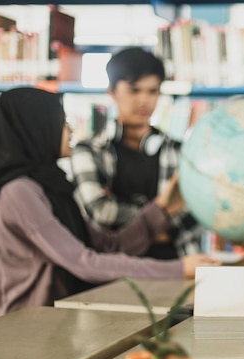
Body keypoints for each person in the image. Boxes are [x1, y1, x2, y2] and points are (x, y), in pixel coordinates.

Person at [0, 87, 219, 318]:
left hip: (56, 322)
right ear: (35, 129)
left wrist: (162, 209)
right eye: (62, 123)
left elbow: (108, 246)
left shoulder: (51, 185)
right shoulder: (17, 192)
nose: (71, 130)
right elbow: (83, 262)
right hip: (23, 329)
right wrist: (178, 269)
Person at [70, 46, 202, 260]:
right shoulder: (89, 150)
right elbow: (100, 214)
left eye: (153, 91)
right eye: (134, 90)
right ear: (111, 91)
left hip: (175, 266)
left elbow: (194, 216)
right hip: (111, 271)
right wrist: (163, 211)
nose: (144, 101)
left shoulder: (178, 151)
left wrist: (128, 220)